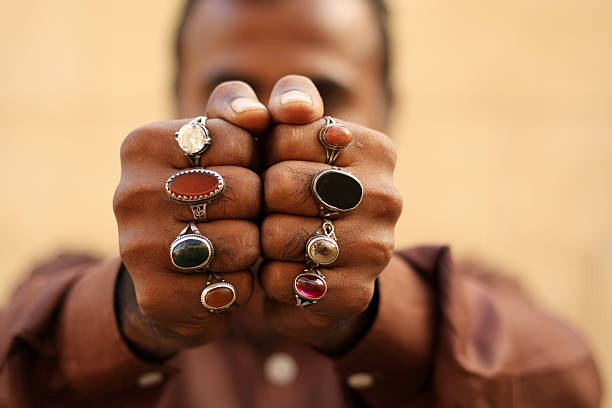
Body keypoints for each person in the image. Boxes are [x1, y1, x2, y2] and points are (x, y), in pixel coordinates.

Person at [0, 0, 602, 406]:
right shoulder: (61, 288)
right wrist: (130, 316)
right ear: (174, 102)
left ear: (388, 112)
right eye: (225, 87)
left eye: (329, 91)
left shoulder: (474, 294)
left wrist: (376, 316)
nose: (266, 120)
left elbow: (571, 381)